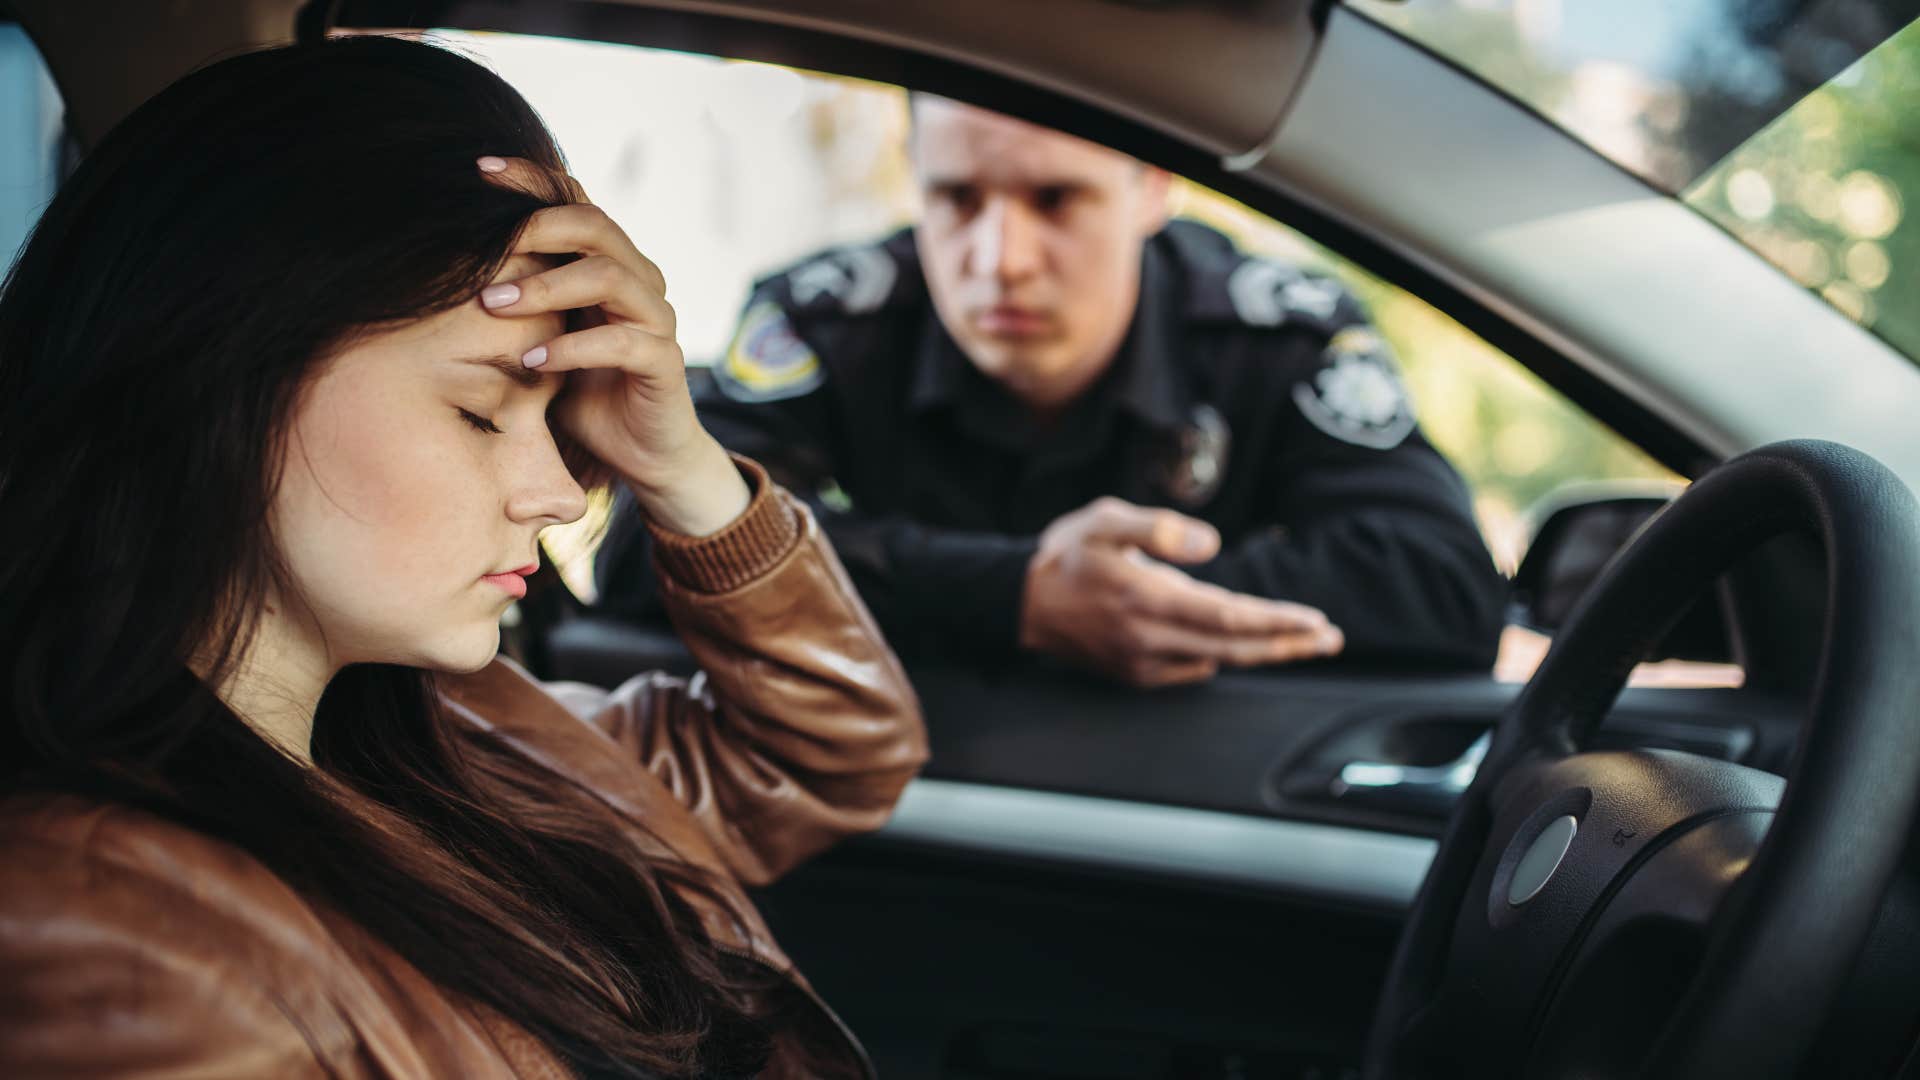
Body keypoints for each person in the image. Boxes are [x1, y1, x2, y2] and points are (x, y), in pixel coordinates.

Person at [0, 38, 924, 1080]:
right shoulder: (104, 926)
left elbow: (830, 757)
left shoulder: (467, 731)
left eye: (553, 415)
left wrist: (683, 466)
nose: (560, 491)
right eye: (481, 412)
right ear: (216, 379)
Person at [594, 96, 1508, 687]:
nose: (999, 262)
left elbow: (1441, 585)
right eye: (956, 199)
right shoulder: (828, 321)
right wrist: (1016, 594)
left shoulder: (1273, 330)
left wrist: (1120, 600)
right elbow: (644, 550)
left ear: (1153, 188)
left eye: (1056, 200)